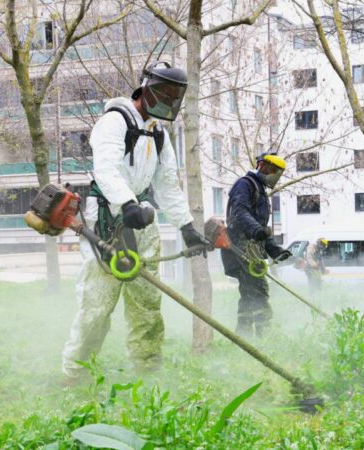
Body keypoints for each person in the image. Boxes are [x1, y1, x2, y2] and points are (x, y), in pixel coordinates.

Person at [62, 62, 208, 380]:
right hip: (107, 220)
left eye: (174, 96)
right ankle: (76, 374)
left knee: (147, 303)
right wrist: (126, 202)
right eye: (163, 92)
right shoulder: (114, 122)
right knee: (97, 307)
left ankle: (147, 369)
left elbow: (168, 183)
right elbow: (106, 169)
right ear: (145, 88)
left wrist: (186, 227)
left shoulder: (158, 134)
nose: (167, 100)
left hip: (141, 220)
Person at [221, 152, 292, 337]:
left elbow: (260, 228)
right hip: (240, 245)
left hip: (252, 246)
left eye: (278, 173)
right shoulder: (244, 185)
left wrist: (274, 250)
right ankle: (264, 333)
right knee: (259, 288)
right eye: (273, 171)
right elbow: (239, 213)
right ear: (262, 166)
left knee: (248, 291)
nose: (274, 176)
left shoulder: (259, 190)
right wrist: (257, 231)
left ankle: (243, 334)